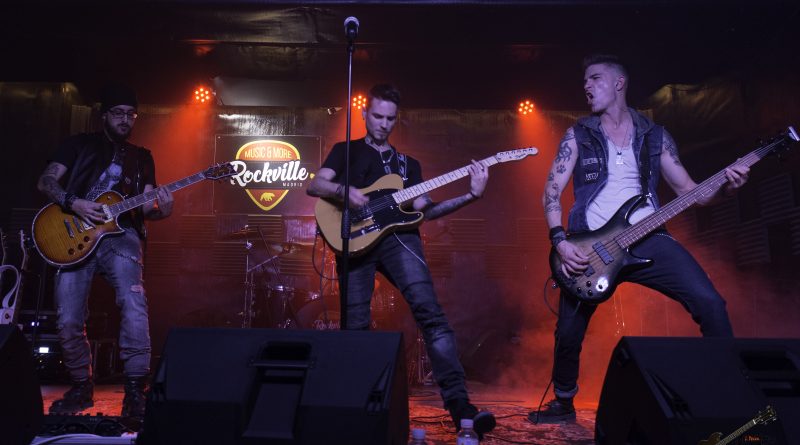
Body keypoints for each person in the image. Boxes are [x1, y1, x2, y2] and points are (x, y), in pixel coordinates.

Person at [534, 55, 750, 423]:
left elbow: (690, 192)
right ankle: (564, 400)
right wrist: (560, 241)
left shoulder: (655, 136)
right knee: (568, 330)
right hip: (591, 245)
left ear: (619, 83)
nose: (586, 86)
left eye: (595, 78)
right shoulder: (578, 135)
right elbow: (551, 192)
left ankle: (731, 395)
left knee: (710, 303)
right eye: (584, 81)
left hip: (649, 235)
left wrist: (727, 188)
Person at [307, 84, 496, 437]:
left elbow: (428, 210)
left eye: (390, 118)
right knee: (355, 326)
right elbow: (316, 186)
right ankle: (357, 411)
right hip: (354, 240)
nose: (383, 124)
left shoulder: (408, 166)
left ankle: (462, 408)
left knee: (431, 314)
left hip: (398, 239)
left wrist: (471, 195)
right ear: (364, 114)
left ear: (397, 119)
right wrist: (344, 191)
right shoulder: (345, 151)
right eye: (377, 116)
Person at [36, 84, 173, 418]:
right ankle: (81, 386)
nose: (126, 120)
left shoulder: (142, 157)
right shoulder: (78, 144)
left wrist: (164, 209)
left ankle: (135, 390)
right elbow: (46, 182)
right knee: (69, 318)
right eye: (119, 113)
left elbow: (147, 207)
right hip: (74, 231)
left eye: (131, 114)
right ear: (104, 115)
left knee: (133, 302)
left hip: (120, 235)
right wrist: (74, 202)